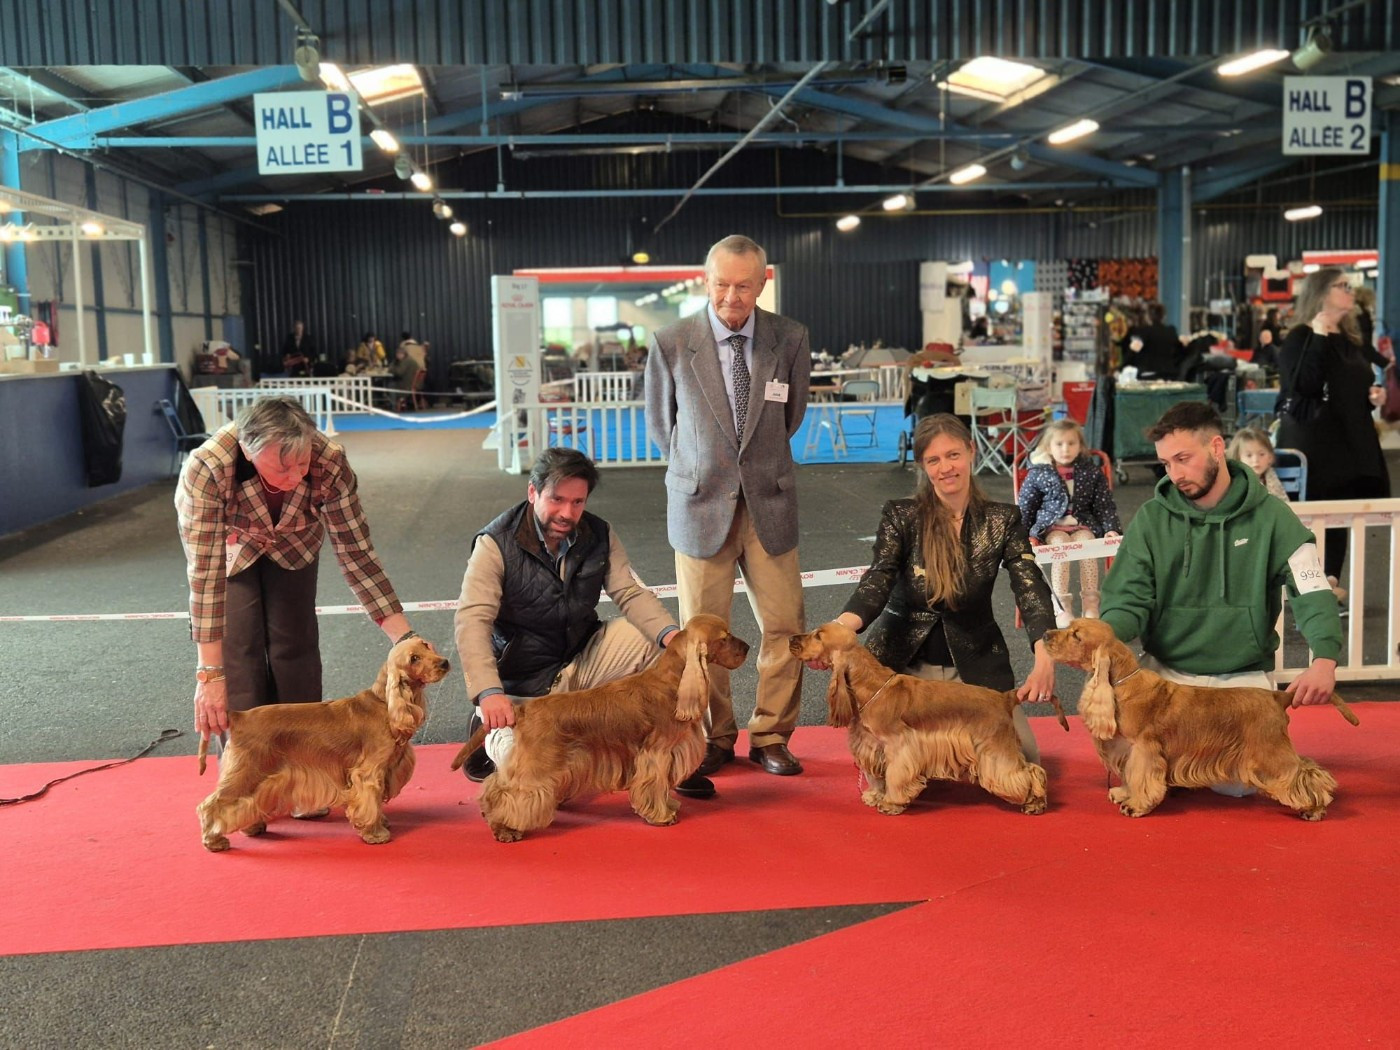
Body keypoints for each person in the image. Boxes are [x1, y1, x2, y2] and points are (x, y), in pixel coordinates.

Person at [1098, 400, 1343, 793]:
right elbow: (1127, 598)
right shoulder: (1150, 519)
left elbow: (1312, 591)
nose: (1175, 474)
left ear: (1215, 448)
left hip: (1240, 681)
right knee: (1136, 766)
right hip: (1167, 676)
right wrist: (1102, 637)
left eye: (1183, 459)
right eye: (1166, 464)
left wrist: (1325, 659)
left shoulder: (1274, 517)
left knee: (1240, 786)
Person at [644, 233, 811, 784]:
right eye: (721, 285)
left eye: (743, 286)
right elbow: (662, 427)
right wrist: (700, 472)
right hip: (698, 507)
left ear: (762, 283)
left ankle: (771, 735)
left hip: (770, 504)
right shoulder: (671, 342)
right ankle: (714, 736)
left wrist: (753, 467)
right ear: (705, 280)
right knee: (701, 637)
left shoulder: (790, 338)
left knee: (784, 626)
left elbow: (790, 417)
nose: (731, 297)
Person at [175, 396, 420, 753]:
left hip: (296, 542)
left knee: (295, 646)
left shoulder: (329, 460)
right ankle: (245, 766)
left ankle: (306, 761)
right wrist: (209, 675)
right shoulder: (208, 467)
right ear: (248, 450)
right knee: (238, 652)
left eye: (302, 463)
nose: (294, 477)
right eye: (282, 467)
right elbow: (205, 577)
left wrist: (404, 638)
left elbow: (357, 554)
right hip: (230, 545)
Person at [452, 449, 704, 793]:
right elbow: (472, 621)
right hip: (523, 684)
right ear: (533, 492)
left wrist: (674, 638)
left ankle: (663, 753)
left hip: (580, 657)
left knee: (661, 646)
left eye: (577, 502)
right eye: (557, 499)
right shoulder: (494, 544)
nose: (567, 513)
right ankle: (489, 729)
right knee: (543, 788)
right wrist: (488, 692)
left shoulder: (599, 533)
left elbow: (629, 592)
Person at [826, 413, 1057, 762]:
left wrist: (1045, 655)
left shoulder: (1003, 519)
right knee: (886, 764)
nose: (946, 467)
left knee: (1024, 757)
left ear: (971, 452)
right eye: (933, 460)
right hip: (902, 670)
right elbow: (878, 579)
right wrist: (840, 629)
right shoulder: (900, 515)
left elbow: (1030, 586)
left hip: (973, 666)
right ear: (923, 465)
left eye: (953, 455)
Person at [1275, 269, 1390, 597]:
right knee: (1315, 519)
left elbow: (1351, 387)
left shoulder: (1351, 340)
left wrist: (1372, 397)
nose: (1350, 291)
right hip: (1318, 444)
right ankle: (1308, 590)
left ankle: (1330, 587)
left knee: (1341, 517)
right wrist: (1319, 336)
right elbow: (1304, 385)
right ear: (1322, 292)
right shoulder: (1301, 337)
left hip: (1352, 441)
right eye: (1343, 286)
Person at [1016, 418, 1122, 627]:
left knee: (1088, 545)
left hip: (1083, 524)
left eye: (1071, 443)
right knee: (1060, 547)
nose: (1065, 449)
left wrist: (1111, 528)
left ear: (1080, 446)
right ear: (1048, 447)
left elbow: (1104, 505)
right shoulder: (1039, 473)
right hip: (1052, 527)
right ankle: (1061, 605)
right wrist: (1023, 534)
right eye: (1059, 444)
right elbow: (1027, 506)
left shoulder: (1090, 472)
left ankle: (1090, 602)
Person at [1122, 302, 1183, 379]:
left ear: (1147, 317)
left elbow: (1132, 352)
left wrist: (1121, 367)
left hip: (1148, 374)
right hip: (1170, 375)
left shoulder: (1143, 332)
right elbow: (1179, 352)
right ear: (1164, 316)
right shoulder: (1171, 331)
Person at [1227, 427, 1289, 503]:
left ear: (1270, 457)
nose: (1255, 460)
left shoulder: (1271, 478)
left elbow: (1282, 503)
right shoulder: (1235, 481)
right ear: (1238, 458)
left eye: (1261, 454)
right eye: (1249, 455)